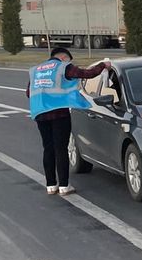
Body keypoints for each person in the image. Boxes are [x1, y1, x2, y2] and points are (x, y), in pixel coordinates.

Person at [26, 47, 109, 196]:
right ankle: (64, 186)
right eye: (69, 60)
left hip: (40, 113)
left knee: (48, 148)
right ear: (64, 57)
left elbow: (28, 93)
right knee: (61, 148)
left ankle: (51, 185)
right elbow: (87, 74)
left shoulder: (35, 70)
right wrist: (103, 65)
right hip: (59, 114)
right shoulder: (63, 67)